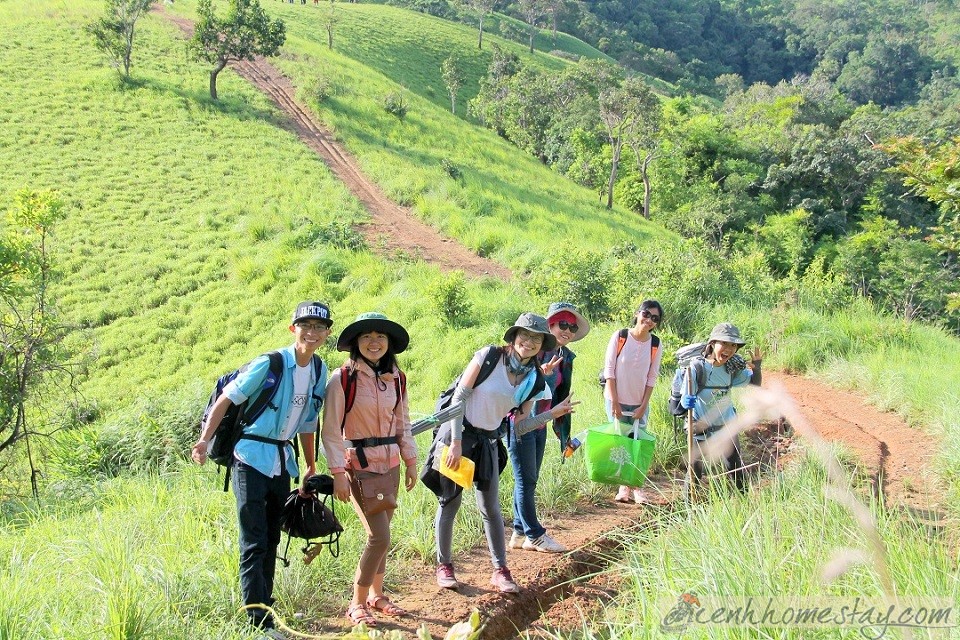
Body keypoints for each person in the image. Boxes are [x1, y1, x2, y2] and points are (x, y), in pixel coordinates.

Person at [192, 301, 332, 634]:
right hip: (250, 457)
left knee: (271, 536)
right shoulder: (269, 364)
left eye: (318, 327)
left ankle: (264, 607)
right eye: (305, 325)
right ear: (292, 328)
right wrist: (203, 440)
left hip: (282, 461)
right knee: (254, 537)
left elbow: (309, 419)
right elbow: (226, 398)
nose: (311, 333)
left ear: (327, 334)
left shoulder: (318, 370)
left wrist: (310, 463)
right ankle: (256, 619)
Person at [423, 313, 579, 593]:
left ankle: (500, 570)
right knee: (450, 503)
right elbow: (459, 399)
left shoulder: (534, 380)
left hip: (489, 441)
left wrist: (552, 414)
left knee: (491, 509)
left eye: (536, 338)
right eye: (525, 335)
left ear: (542, 344)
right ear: (514, 337)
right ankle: (444, 566)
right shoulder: (488, 357)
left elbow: (519, 427)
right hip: (460, 433)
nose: (529, 342)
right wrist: (456, 443)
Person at [320, 312, 418, 627]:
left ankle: (377, 596)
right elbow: (331, 431)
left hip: (390, 464)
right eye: (366, 337)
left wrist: (411, 460)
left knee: (382, 537)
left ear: (389, 343)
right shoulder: (343, 379)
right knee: (379, 536)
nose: (373, 342)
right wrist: (337, 473)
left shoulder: (396, 378)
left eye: (379, 337)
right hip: (359, 467)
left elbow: (403, 422)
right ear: (355, 343)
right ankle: (357, 602)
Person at [507, 302, 590, 554]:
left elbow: (558, 395)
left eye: (572, 327)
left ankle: (519, 533)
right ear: (550, 326)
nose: (567, 330)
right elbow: (518, 386)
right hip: (521, 424)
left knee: (529, 481)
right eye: (562, 324)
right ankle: (535, 534)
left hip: (541, 423)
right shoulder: (532, 354)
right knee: (524, 480)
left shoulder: (565, 357)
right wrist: (541, 373)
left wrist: (560, 429)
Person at [679, 322, 762, 489]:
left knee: (736, 469)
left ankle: (743, 505)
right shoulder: (697, 367)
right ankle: (689, 509)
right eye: (723, 343)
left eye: (733, 345)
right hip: (700, 428)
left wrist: (757, 368)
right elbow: (684, 397)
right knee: (695, 472)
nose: (729, 349)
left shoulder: (732, 368)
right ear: (712, 344)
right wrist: (686, 401)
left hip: (727, 426)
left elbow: (754, 383)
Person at [602, 300, 664, 505]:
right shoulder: (620, 336)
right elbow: (609, 370)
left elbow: (652, 377)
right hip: (616, 400)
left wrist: (644, 405)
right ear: (638, 313)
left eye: (655, 318)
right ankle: (623, 487)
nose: (649, 320)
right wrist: (615, 402)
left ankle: (637, 488)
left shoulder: (655, 344)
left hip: (639, 404)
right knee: (621, 444)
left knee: (636, 444)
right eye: (646, 314)